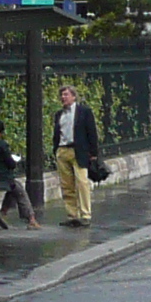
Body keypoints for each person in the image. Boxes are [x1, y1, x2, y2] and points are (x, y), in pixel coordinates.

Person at [52, 84, 99, 227]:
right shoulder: (59, 114)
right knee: (67, 185)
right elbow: (57, 133)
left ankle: (85, 214)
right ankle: (72, 215)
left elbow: (92, 132)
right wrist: (56, 150)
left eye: (66, 94)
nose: (63, 97)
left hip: (78, 151)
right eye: (62, 95)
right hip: (63, 150)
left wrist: (93, 153)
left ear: (73, 96)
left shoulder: (84, 111)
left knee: (82, 183)